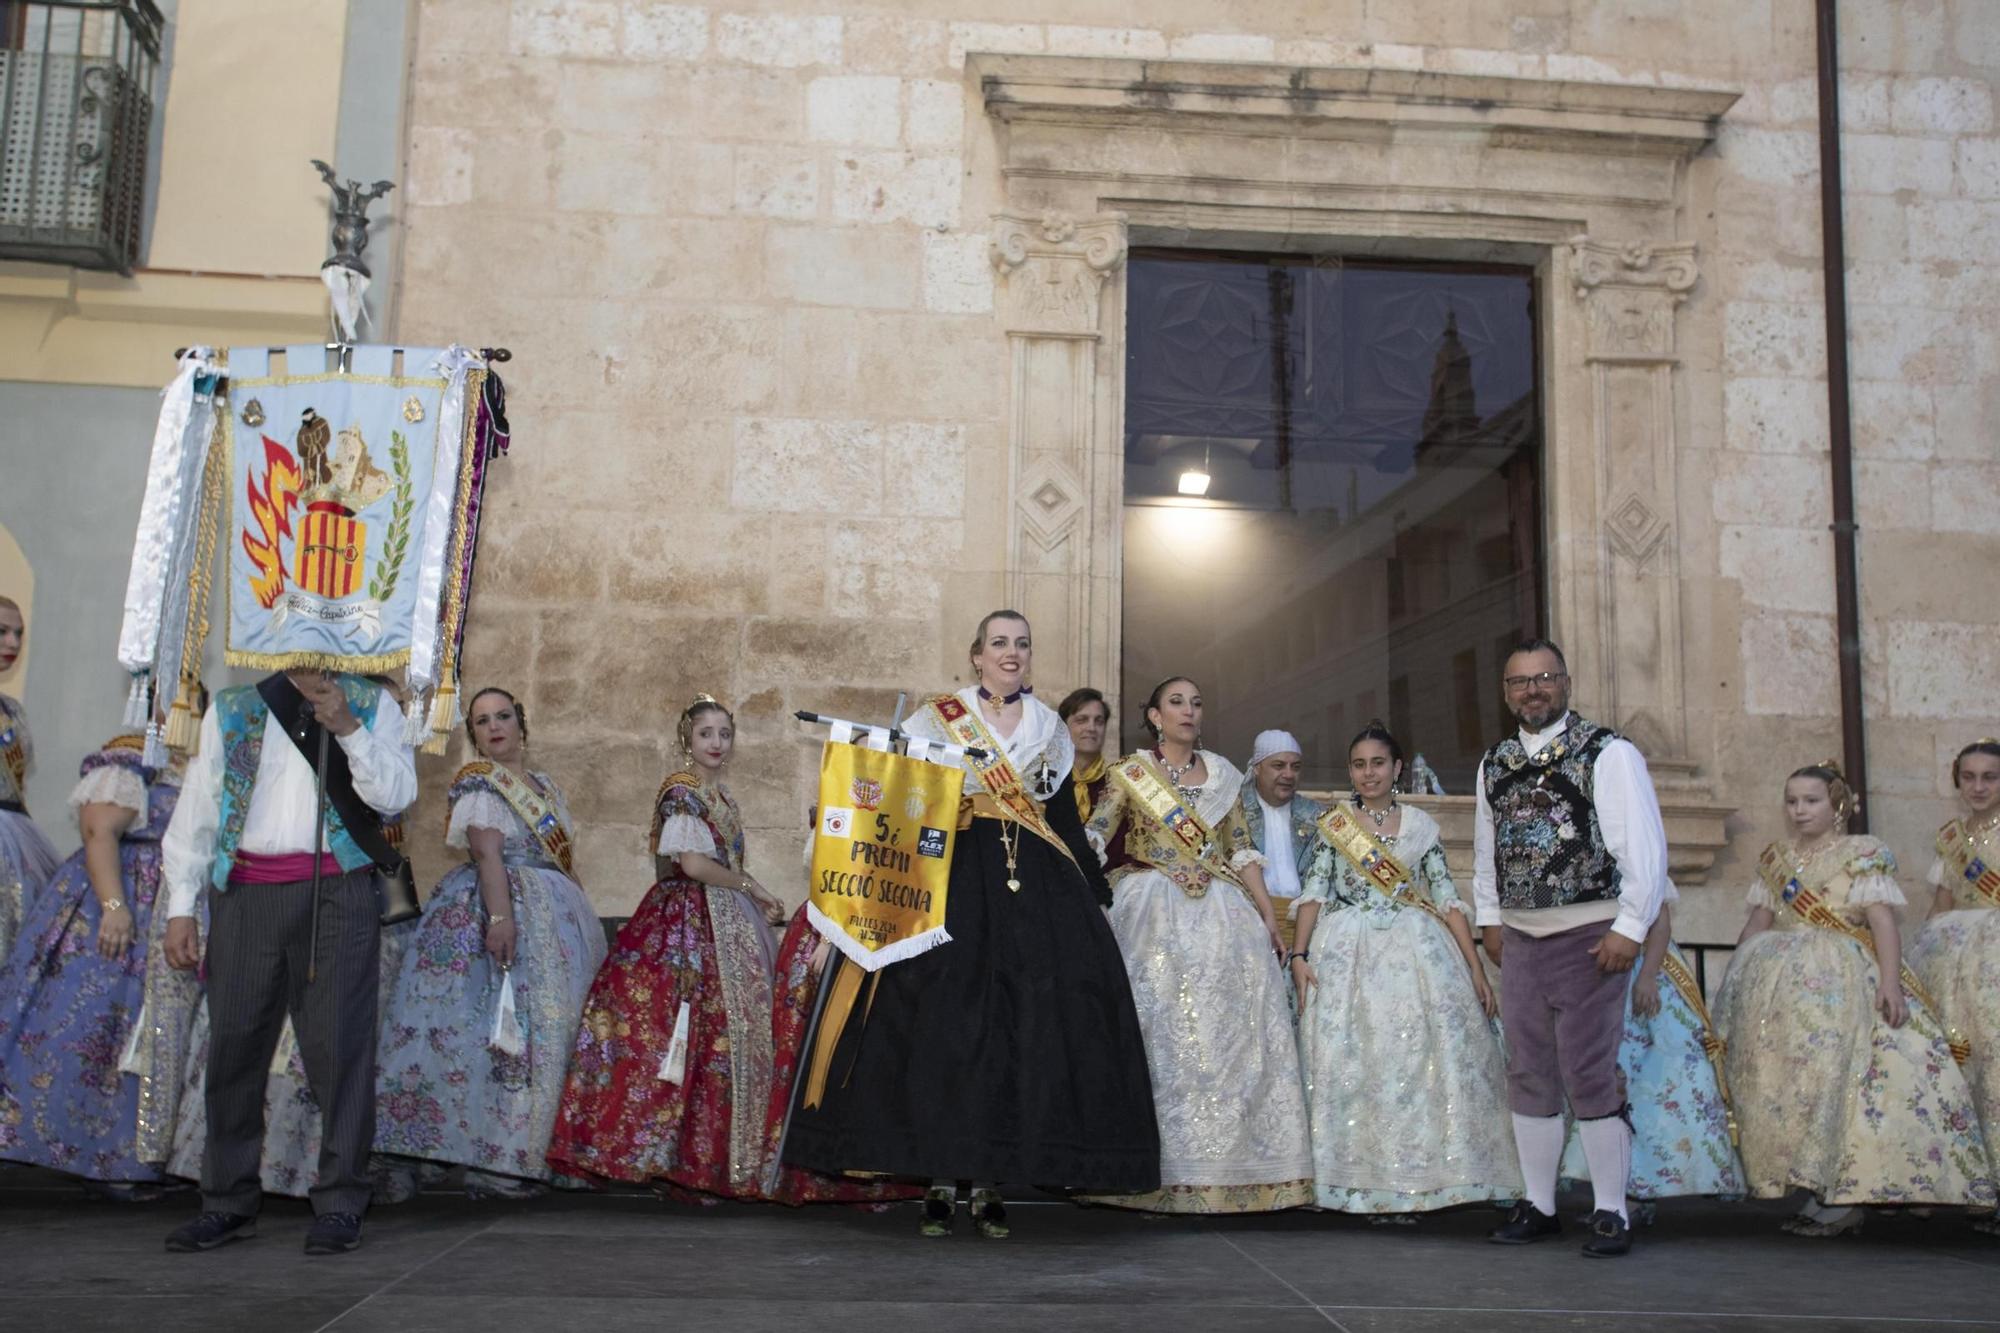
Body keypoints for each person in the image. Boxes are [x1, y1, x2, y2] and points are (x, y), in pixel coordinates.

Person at [783, 610, 1159, 1238]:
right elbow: (894, 802)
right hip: (950, 883)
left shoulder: (1049, 730)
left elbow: (1062, 820)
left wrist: (1092, 897)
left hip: (1035, 889)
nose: (1011, 654)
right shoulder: (935, 719)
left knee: (1023, 1030)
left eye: (1022, 645)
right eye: (999, 644)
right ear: (977, 655)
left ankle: (989, 1178)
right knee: (944, 1028)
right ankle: (937, 1173)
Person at [159, 670, 415, 1255]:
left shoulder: (372, 703)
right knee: (234, 1049)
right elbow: (201, 803)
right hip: (245, 893)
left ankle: (342, 1201)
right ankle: (226, 1202)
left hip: (338, 893)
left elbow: (397, 796)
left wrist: (348, 727)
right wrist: (181, 907)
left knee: (340, 1050)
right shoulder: (233, 706)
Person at [1714, 763, 1995, 1236]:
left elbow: (1881, 921)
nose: (1800, 810)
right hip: (1779, 989)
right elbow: (1760, 921)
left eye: (1811, 801)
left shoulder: (1862, 852)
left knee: (1836, 1086)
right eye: (1792, 801)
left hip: (1840, 984)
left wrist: (1890, 983)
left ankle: (1841, 1197)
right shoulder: (1777, 857)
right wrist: (1733, 981)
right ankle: (1810, 1186)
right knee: (1788, 1085)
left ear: (1837, 804)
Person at [1085, 675, 1312, 1214]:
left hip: (1221, 914)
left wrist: (1266, 916)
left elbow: (1240, 850)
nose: (1189, 711)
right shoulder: (1129, 773)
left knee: (1228, 1035)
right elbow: (1095, 833)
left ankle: (1233, 1171)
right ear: (1155, 717)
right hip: (1149, 909)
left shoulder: (1227, 777)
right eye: (1176, 703)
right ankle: (1145, 1169)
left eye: (1197, 703)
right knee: (1155, 1032)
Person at [547, 695, 787, 1200]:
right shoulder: (681, 793)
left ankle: (711, 1156)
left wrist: (761, 894)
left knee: (714, 1040)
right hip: (685, 923)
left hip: (726, 919)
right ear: (687, 741)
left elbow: (726, 865)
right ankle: (667, 1155)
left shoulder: (721, 797)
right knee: (675, 1034)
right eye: (706, 734)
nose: (717, 743)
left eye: (724, 734)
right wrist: (748, 890)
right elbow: (695, 866)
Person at [1475, 638, 1667, 1258]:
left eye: (1544, 678)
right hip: (1523, 937)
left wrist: (1629, 929)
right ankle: (1541, 1205)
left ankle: (1612, 1210)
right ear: (1506, 694)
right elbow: (1486, 851)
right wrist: (1489, 920)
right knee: (1529, 1072)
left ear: (1565, 682)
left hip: (1591, 938)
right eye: (1520, 681)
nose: (1532, 689)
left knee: (1588, 1071)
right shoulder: (1495, 762)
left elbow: (1643, 848)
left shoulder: (1608, 753)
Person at [374, 687, 603, 1195]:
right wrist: (499, 918)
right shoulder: (479, 784)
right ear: (474, 734)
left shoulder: (545, 786)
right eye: (482, 721)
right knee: (485, 1031)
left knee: (547, 1032)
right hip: (497, 904)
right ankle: (485, 1153)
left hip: (556, 911)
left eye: (503, 716)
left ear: (521, 722)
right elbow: (489, 857)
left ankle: (531, 1148)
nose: (495, 727)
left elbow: (564, 860)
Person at [1291, 722, 1518, 1220]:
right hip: (1346, 953)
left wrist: (1474, 966)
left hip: (1417, 952)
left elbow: (1445, 897)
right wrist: (1300, 955)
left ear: (1396, 768)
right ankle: (1348, 1181)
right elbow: (1316, 891)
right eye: (1358, 764)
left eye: (1377, 763)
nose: (1367, 773)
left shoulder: (1419, 827)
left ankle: (1427, 1179)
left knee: (1417, 1061)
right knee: (1353, 1065)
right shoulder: (1336, 826)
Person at [0, 719, 193, 1192]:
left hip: (169, 907)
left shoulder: (192, 762)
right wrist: (114, 907)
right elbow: (97, 830)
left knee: (142, 1036)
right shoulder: (133, 755)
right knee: (90, 1028)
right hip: (123, 903)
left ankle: (128, 1156)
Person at [1556, 891, 1745, 1221]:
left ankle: (1636, 1194)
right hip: (1598, 973)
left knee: (1649, 1085)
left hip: (1643, 975)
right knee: (1608, 1082)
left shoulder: (1637, 849)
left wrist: (1647, 976)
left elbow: (1659, 923)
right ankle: (1621, 1194)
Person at [1909, 739, 2000, 1233]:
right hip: (1951, 959)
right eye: (1970, 777)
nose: (1979, 786)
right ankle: (1960, 1181)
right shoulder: (1951, 837)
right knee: (1953, 1068)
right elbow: (1941, 903)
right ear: (1957, 781)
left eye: (1990, 776)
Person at [0, 595, 61, 960]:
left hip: (14, 843)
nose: (13, 643)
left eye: (19, 634)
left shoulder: (13, 710)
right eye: (2, 632)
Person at [1236, 729, 1324, 921]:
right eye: (1278, 766)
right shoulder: (1235, 812)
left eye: (1295, 767)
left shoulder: (1317, 815)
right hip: (1249, 918)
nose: (1289, 774)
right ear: (1257, 768)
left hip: (1306, 920)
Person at [1057, 688, 1113, 824]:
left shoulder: (1116, 784)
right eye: (1082, 720)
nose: (1091, 728)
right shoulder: (1048, 782)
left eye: (1099, 721)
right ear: (1063, 727)